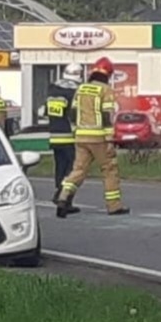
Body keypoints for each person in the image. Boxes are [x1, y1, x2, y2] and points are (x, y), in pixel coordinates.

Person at [56, 56, 129, 217]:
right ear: (108, 75)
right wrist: (109, 139)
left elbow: (73, 113)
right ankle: (114, 206)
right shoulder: (105, 90)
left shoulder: (81, 88)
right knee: (109, 169)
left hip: (80, 137)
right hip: (99, 138)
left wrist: (75, 131)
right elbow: (106, 115)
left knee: (78, 170)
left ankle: (63, 198)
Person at [44, 62, 83, 213]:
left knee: (60, 167)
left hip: (54, 135)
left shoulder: (53, 89)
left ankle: (59, 191)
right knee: (72, 170)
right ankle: (63, 197)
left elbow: (47, 111)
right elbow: (75, 114)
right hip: (69, 136)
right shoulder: (76, 91)